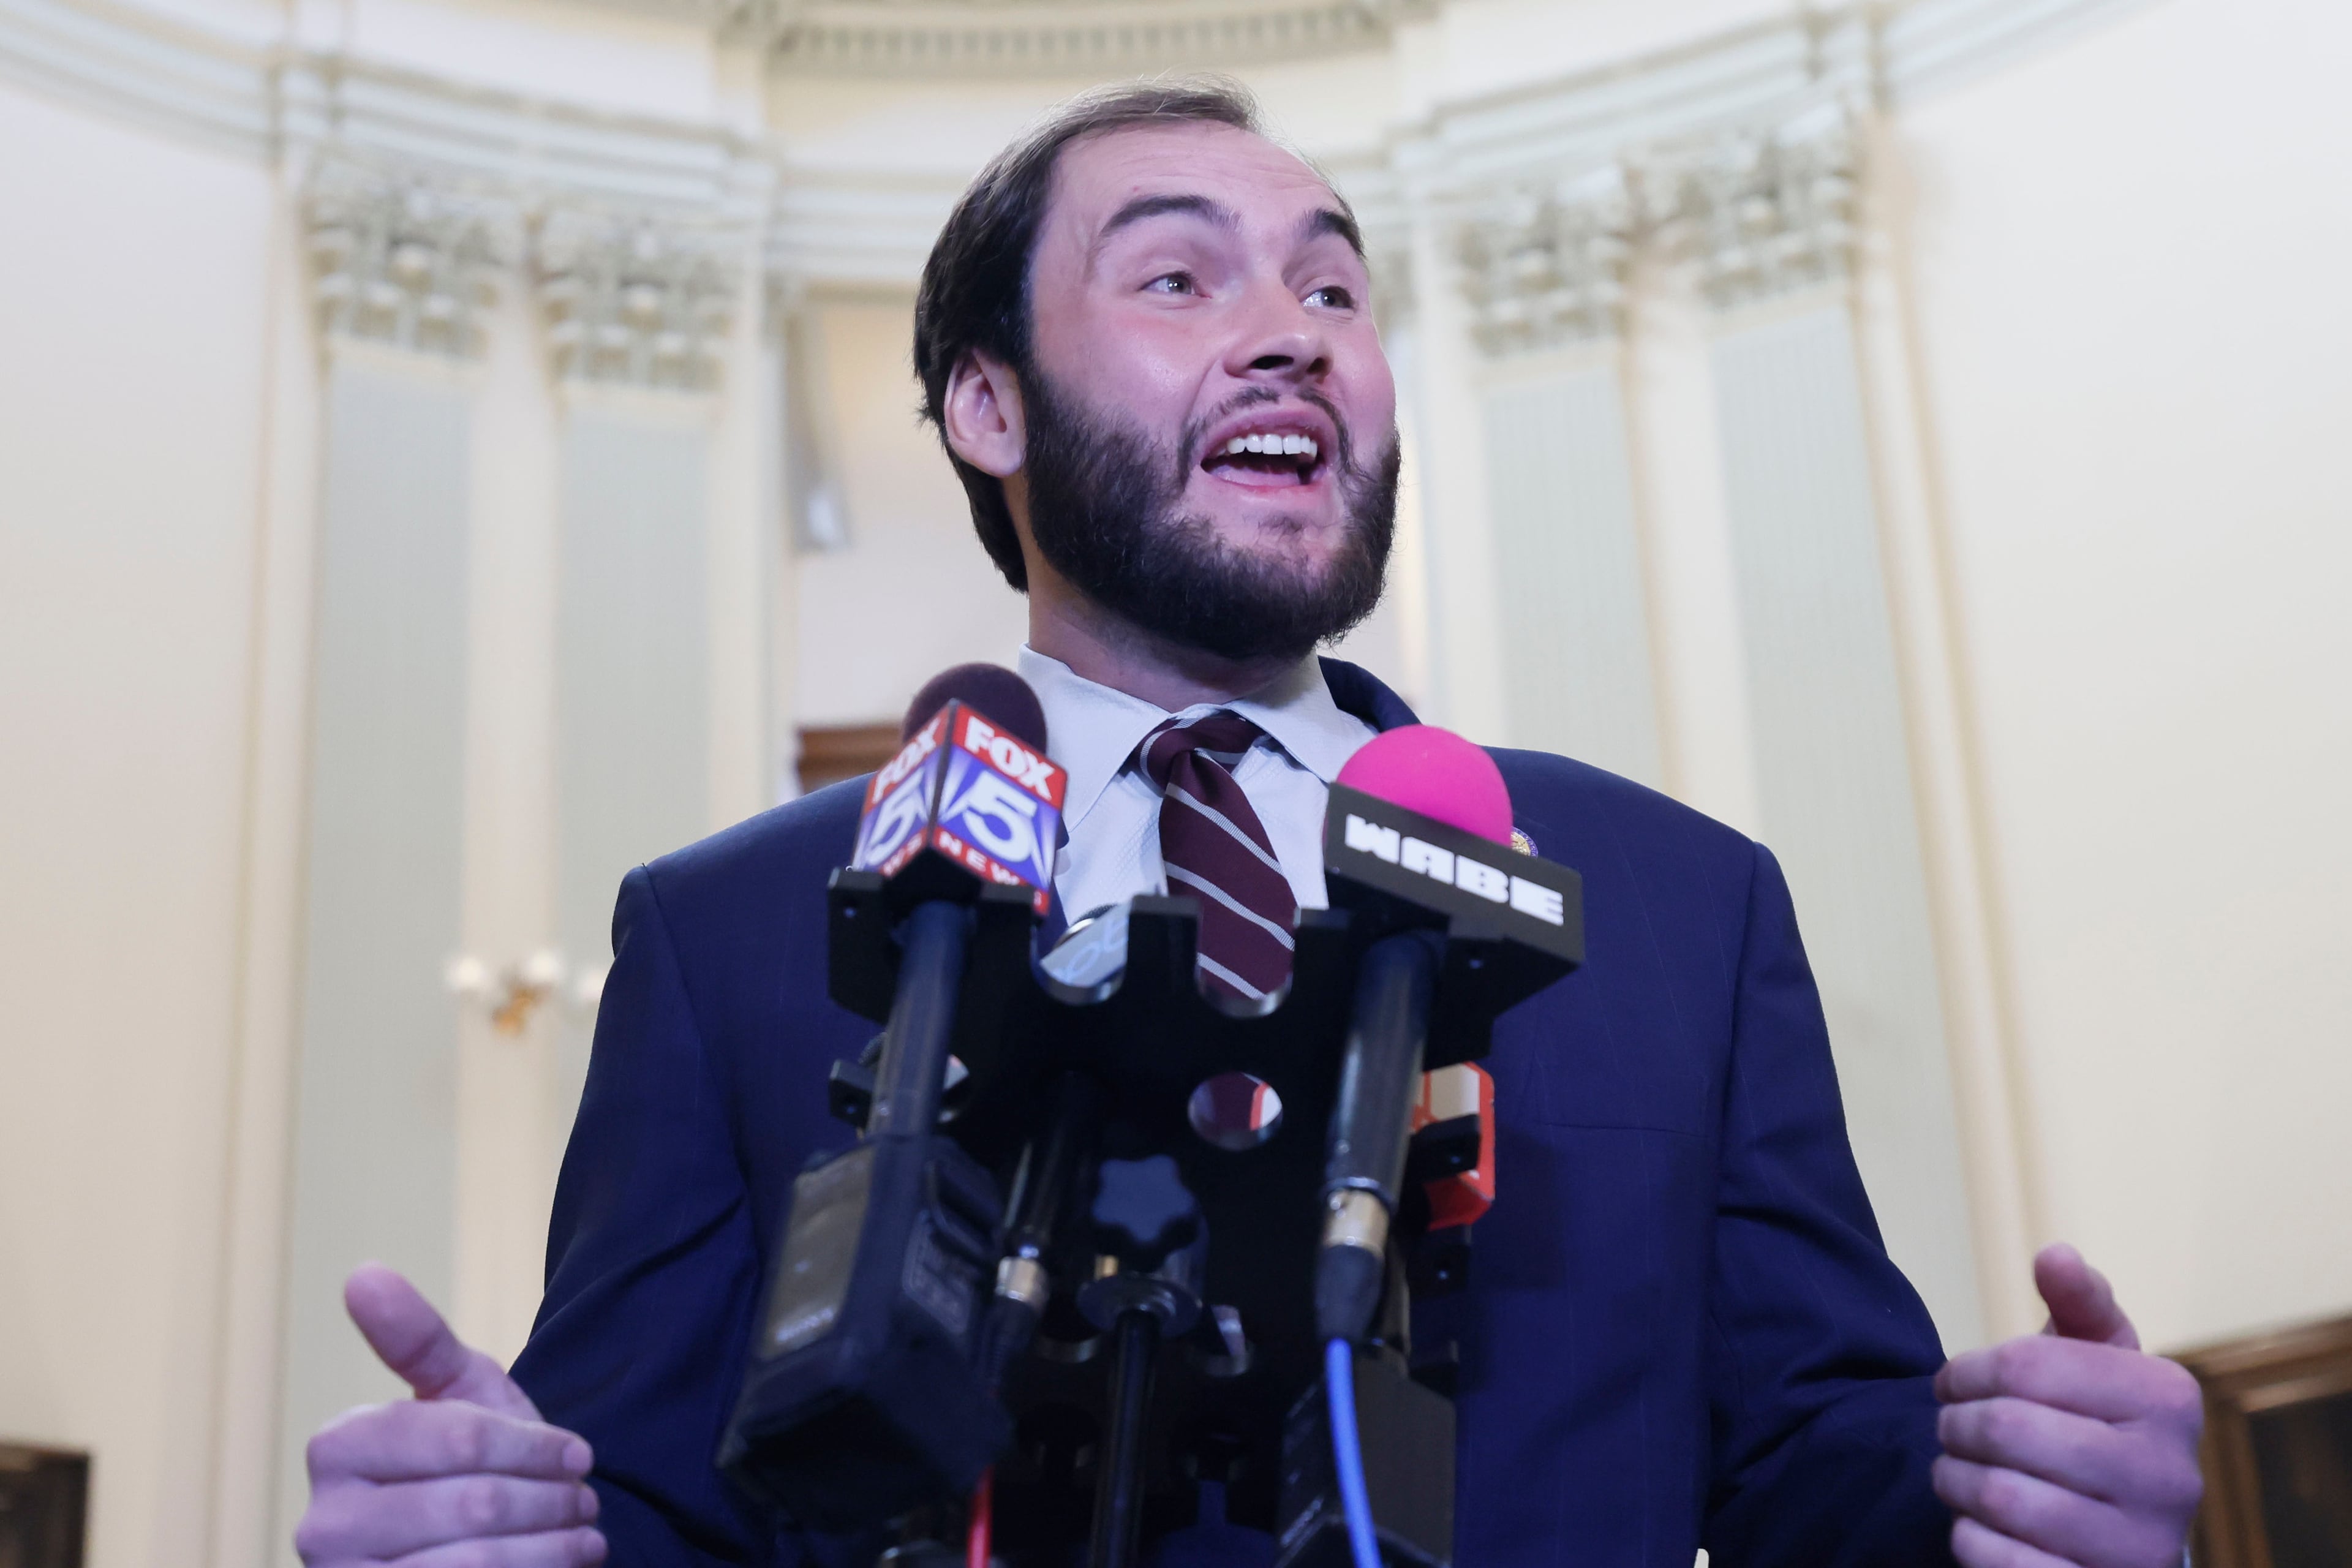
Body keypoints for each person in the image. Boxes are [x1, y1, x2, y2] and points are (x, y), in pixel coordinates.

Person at [294, 81, 2204, 1568]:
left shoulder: (1677, 905)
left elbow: (1809, 1473)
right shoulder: (730, 940)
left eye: (1334, 284)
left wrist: (2011, 1493)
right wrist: (500, 1525)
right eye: (1182, 276)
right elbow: (656, 1515)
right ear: (988, 404)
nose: (1291, 333)